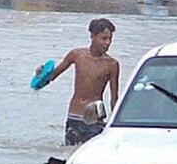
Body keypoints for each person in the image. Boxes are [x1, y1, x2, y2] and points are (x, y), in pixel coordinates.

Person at [39, 17, 121, 146]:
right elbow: (51, 76)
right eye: (103, 38)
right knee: (70, 152)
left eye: (110, 39)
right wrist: (41, 73)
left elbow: (114, 98)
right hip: (74, 115)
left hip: (94, 118)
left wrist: (116, 123)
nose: (107, 43)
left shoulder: (112, 64)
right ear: (92, 36)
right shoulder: (76, 55)